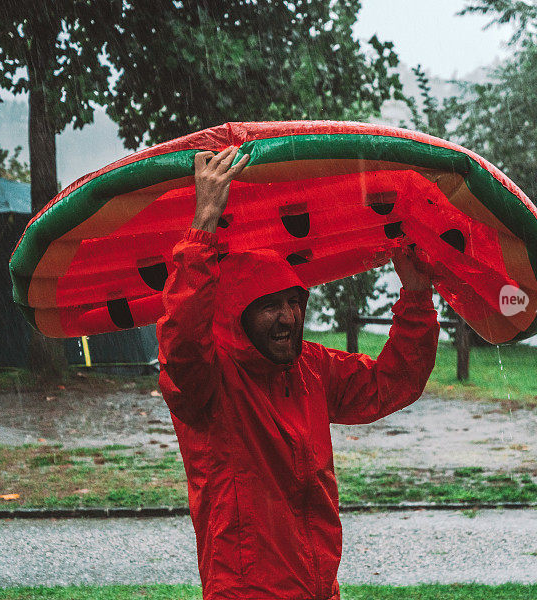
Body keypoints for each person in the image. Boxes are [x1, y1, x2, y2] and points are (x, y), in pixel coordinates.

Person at [157, 145, 440, 600]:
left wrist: (416, 295)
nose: (288, 317)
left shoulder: (311, 368)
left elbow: (394, 382)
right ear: (237, 314)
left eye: (294, 302)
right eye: (269, 306)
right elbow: (183, 344)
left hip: (319, 589)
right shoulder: (209, 383)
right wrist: (203, 226)